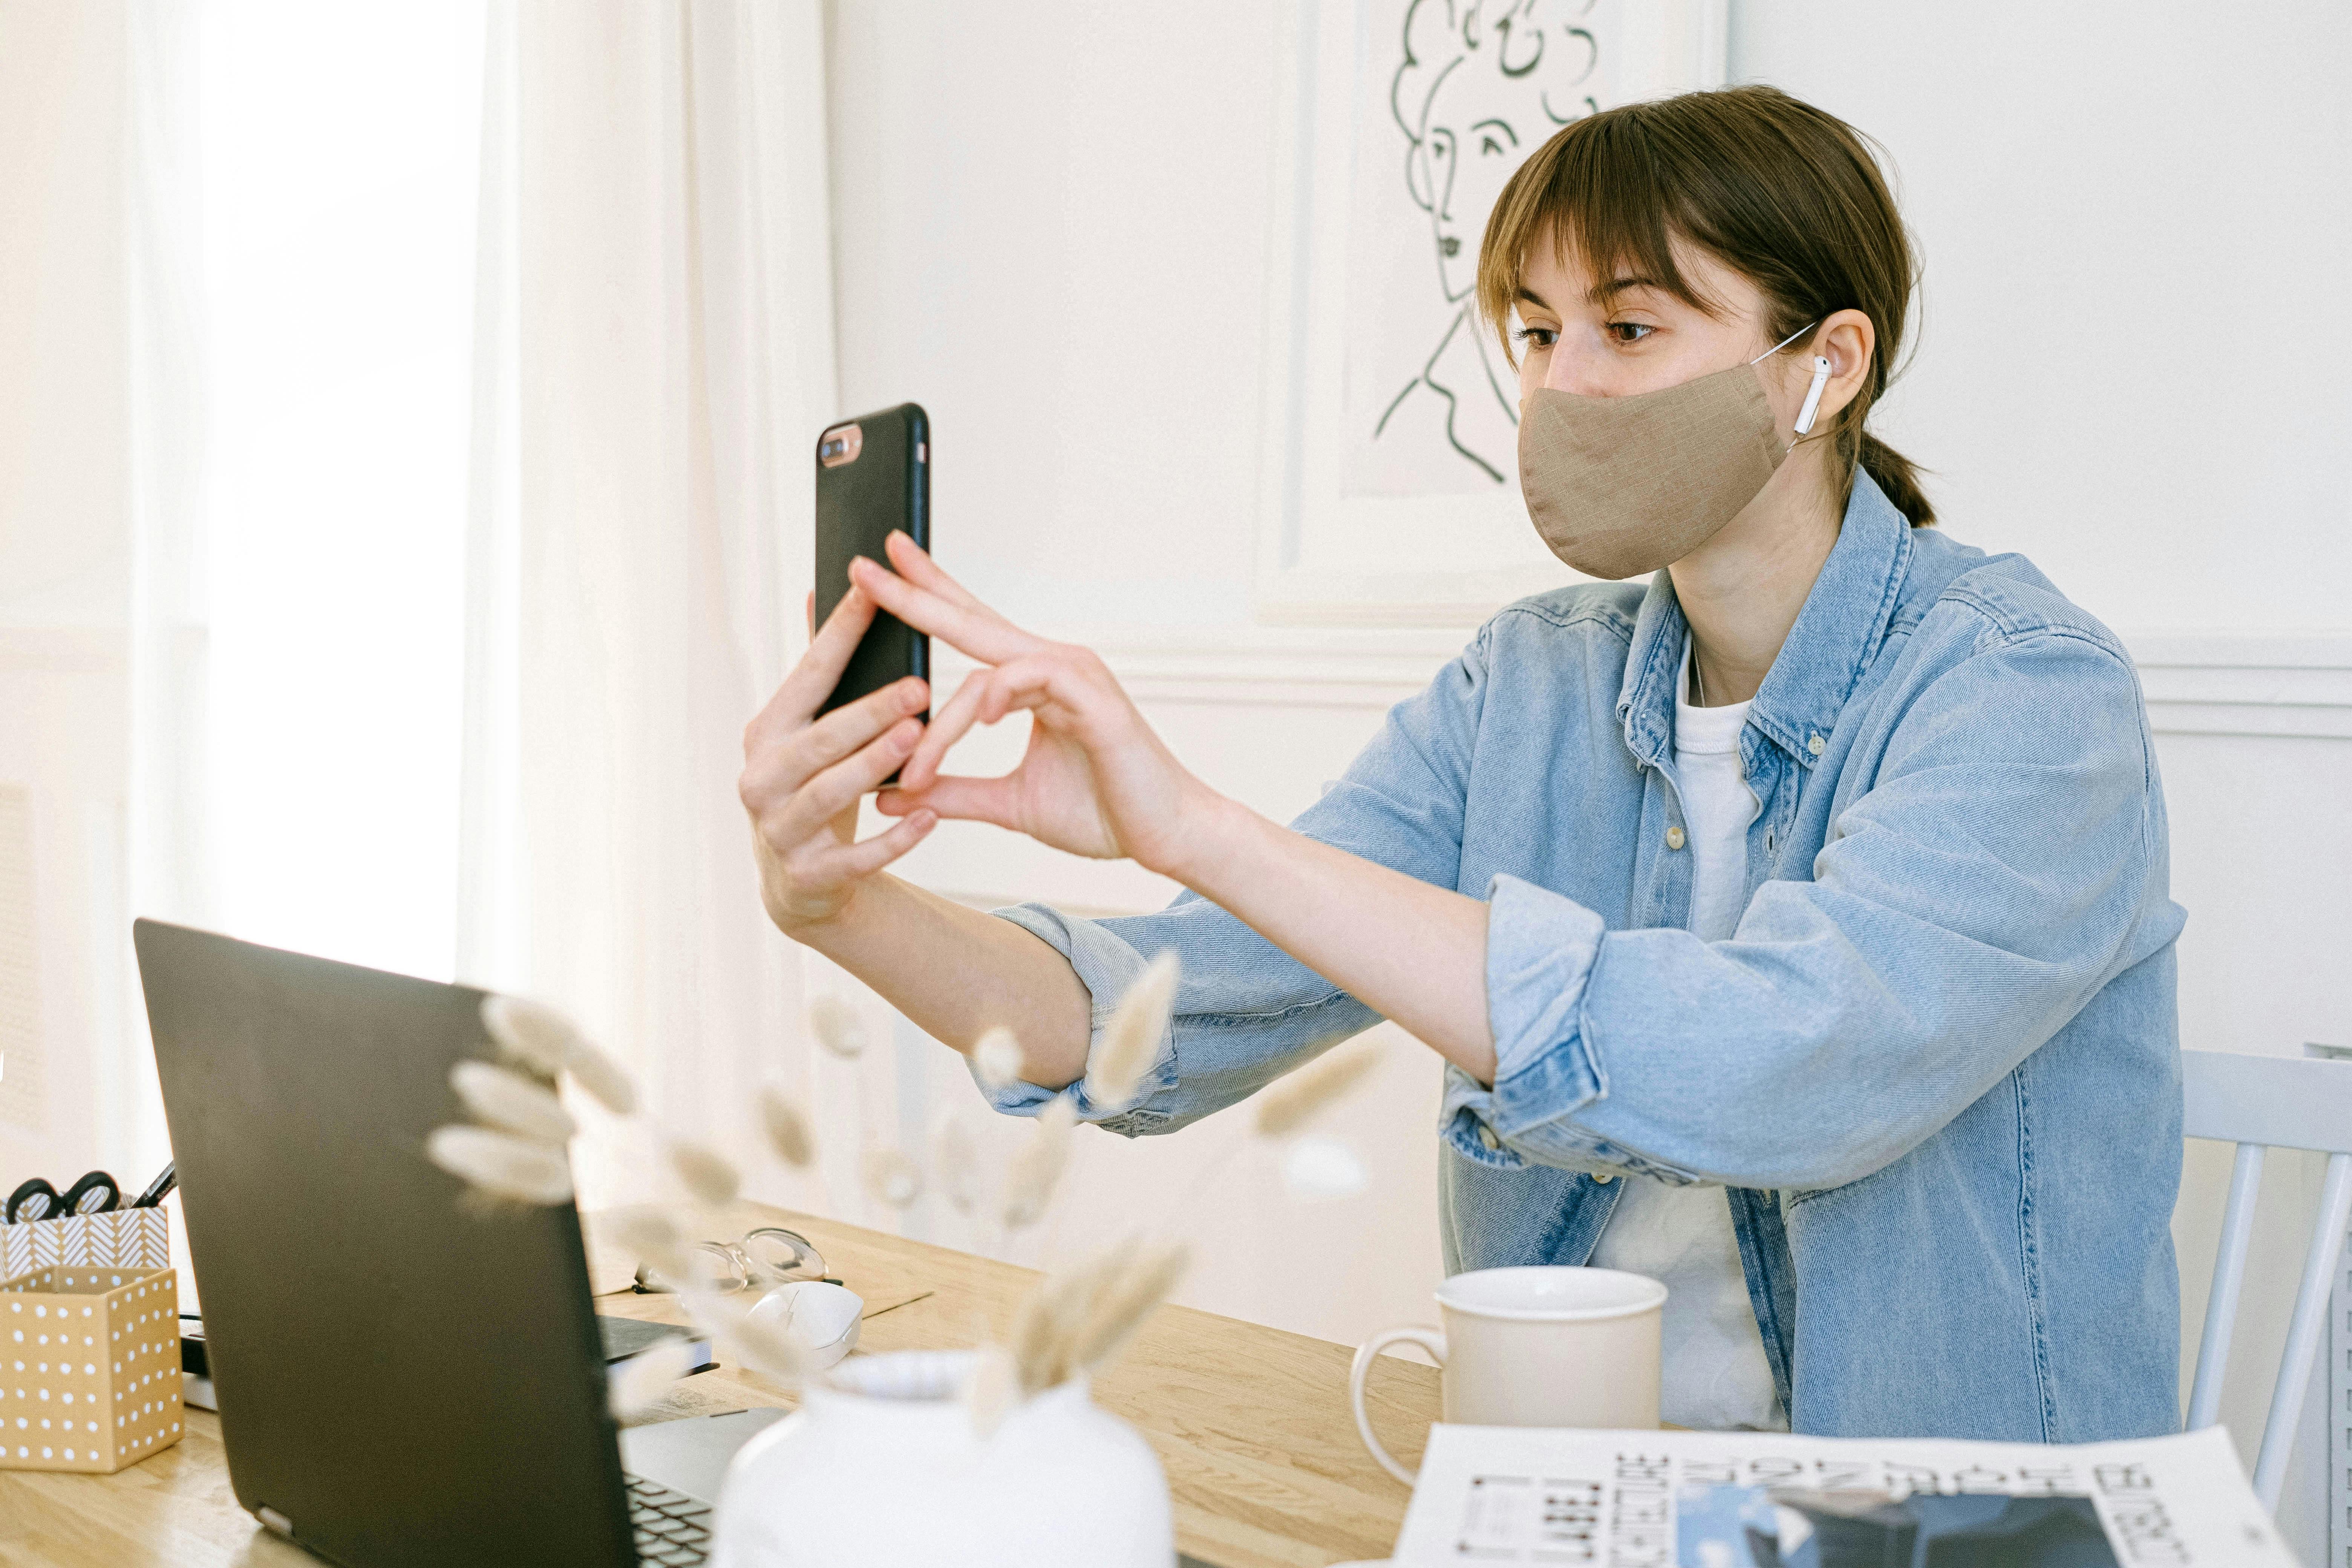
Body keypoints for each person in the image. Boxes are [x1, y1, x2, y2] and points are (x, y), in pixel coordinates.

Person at [737, 85, 2185, 1441]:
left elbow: (1786, 1069)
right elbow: (1167, 1013)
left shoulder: (2024, 690)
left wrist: (1193, 826)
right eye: (1538, 335)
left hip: (1934, 1518)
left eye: (1631, 328)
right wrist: (835, 908)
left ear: (1826, 365)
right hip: (1555, 1485)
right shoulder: (1528, 682)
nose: (1564, 387)